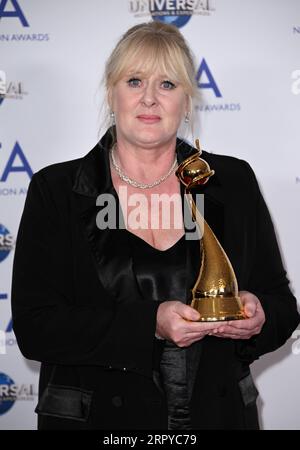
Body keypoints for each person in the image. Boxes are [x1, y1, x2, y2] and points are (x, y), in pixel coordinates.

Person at [11, 21, 299, 430]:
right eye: (134, 81)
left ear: (187, 100)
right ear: (112, 93)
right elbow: (35, 327)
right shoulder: (56, 190)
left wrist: (258, 315)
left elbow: (282, 306)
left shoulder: (232, 183)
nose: (149, 98)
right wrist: (150, 324)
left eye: (167, 84)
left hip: (216, 418)